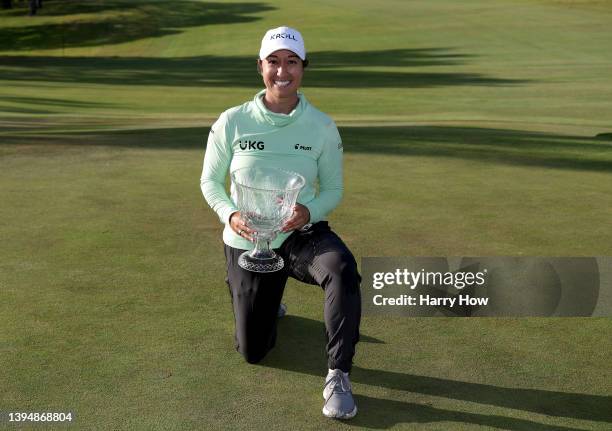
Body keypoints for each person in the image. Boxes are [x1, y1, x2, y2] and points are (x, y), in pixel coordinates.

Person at [200, 26, 361, 419]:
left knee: (341, 269)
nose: (282, 71)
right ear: (260, 66)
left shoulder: (321, 126)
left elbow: (334, 189)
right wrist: (231, 214)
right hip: (248, 239)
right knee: (254, 352)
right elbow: (209, 181)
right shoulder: (232, 121)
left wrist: (309, 212)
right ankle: (258, 293)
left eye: (291, 62)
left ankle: (338, 374)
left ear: (303, 68)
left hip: (301, 234)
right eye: (274, 61)